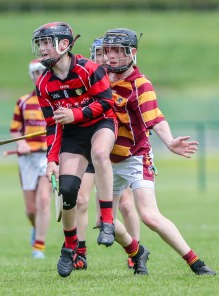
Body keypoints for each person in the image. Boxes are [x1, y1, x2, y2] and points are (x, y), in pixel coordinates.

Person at [102, 27, 216, 275]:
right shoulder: (101, 81)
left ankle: (196, 263)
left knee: (150, 217)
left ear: (132, 53)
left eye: (117, 51)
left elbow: (155, 118)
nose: (110, 56)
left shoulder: (140, 85)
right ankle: (136, 251)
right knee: (105, 222)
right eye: (107, 50)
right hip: (108, 162)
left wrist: (169, 141)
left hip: (135, 157)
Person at [31, 22, 119, 277]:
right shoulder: (44, 85)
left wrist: (76, 113)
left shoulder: (89, 70)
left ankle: (107, 221)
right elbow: (52, 126)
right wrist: (51, 159)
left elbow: (106, 103)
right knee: (68, 191)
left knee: (101, 154)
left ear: (64, 44)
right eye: (40, 44)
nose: (42, 49)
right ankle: (70, 246)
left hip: (100, 123)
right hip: (72, 134)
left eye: (47, 43)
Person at [73, 37, 142, 271]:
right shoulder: (87, 78)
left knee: (125, 204)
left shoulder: (122, 79)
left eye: (106, 53)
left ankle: (136, 251)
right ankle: (79, 252)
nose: (102, 58)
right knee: (81, 200)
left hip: (117, 152)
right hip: (91, 147)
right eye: (98, 53)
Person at [9, 59, 52, 259]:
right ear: (31, 76)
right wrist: (21, 143)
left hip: (48, 157)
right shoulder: (23, 102)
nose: (39, 76)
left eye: (42, 72)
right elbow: (15, 129)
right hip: (27, 159)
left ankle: (39, 247)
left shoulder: (56, 100)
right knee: (31, 209)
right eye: (35, 73)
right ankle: (36, 228)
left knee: (44, 200)